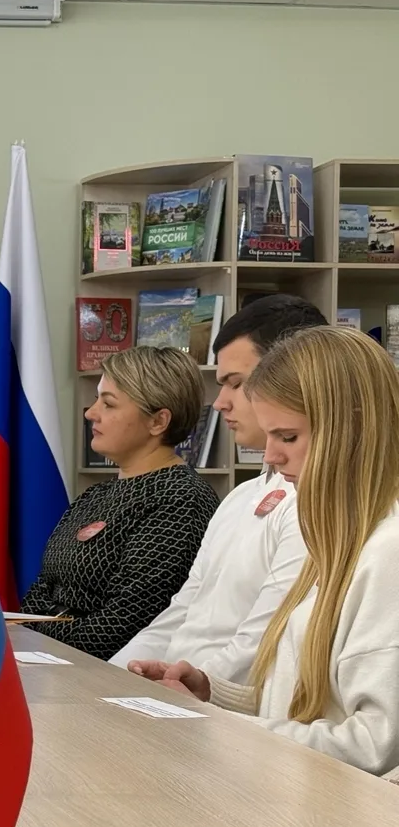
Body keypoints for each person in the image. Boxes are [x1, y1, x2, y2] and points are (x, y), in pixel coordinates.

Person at [143, 326, 399, 777]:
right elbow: (306, 700)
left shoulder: (387, 551)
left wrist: (221, 728)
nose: (271, 457)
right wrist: (213, 694)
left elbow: (376, 747)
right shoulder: (338, 538)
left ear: (353, 427)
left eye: (288, 437)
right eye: (270, 436)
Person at [113, 295, 326, 678]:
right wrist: (115, 676)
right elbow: (182, 610)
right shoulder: (238, 498)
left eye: (236, 384)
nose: (219, 403)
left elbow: (264, 639)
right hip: (181, 691)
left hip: (217, 700)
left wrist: (192, 688)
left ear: (288, 377)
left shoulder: (315, 504)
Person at [21, 345, 219, 660]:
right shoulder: (95, 495)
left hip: (105, 674)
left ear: (158, 421)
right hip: (47, 659)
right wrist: (26, 635)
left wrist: (34, 638)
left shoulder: (181, 500)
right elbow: (43, 588)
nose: (90, 413)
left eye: (108, 403)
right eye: (96, 399)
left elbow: (121, 628)